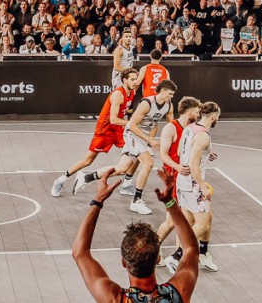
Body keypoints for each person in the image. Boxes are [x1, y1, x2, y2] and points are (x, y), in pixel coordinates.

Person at [71, 172, 202, 303]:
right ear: (157, 259)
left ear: (124, 262)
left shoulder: (115, 299)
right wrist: (170, 202)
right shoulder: (179, 291)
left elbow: (80, 252)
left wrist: (98, 200)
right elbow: (191, 249)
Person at [55, 65, 142, 197]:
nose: (135, 82)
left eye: (136, 79)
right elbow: (113, 119)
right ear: (124, 80)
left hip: (119, 130)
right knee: (87, 161)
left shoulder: (132, 92)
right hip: (105, 130)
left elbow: (125, 112)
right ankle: (61, 179)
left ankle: (126, 184)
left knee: (137, 153)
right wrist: (132, 123)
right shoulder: (118, 94)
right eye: (132, 79)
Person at [156, 100, 221, 273]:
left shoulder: (188, 129)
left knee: (200, 219)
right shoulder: (203, 135)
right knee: (202, 224)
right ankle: (176, 256)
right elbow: (193, 164)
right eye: (218, 117)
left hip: (182, 183)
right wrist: (203, 187)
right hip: (193, 183)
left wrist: (206, 155)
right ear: (214, 116)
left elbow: (179, 153)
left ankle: (203, 254)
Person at [106, 80, 176, 215]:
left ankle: (87, 177)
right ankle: (136, 201)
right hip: (132, 133)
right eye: (170, 94)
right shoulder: (147, 103)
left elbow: (172, 126)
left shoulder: (168, 106)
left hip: (143, 136)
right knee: (148, 163)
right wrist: (151, 140)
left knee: (122, 168)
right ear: (162, 91)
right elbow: (132, 125)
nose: (171, 97)